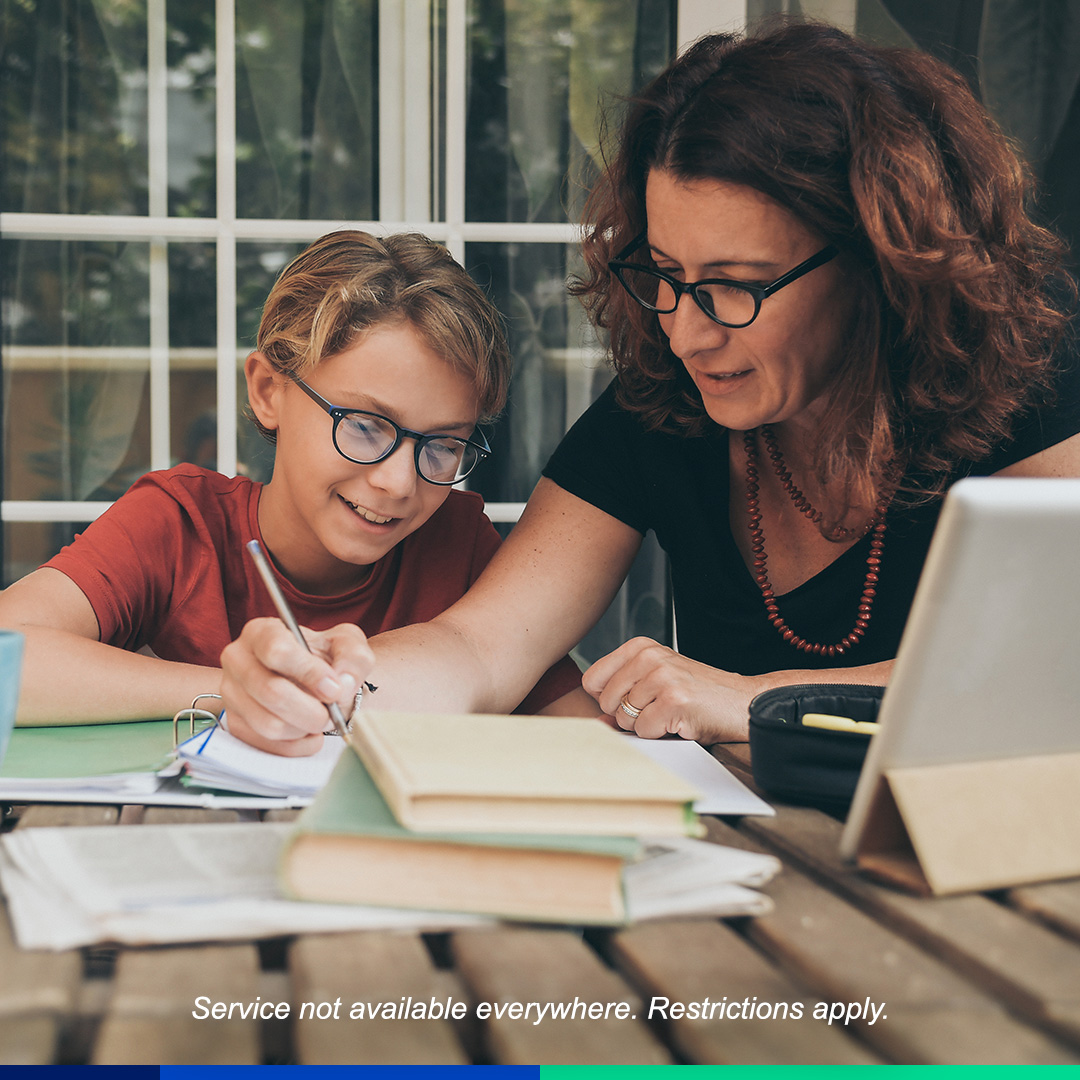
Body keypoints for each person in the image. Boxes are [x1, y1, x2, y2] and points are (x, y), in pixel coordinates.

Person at [219, 20, 1080, 755]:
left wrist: (748, 699)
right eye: (665, 273)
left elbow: (1042, 670)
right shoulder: (662, 407)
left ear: (875, 262)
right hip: (764, 871)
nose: (685, 330)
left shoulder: (1029, 384)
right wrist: (332, 683)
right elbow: (481, 649)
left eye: (733, 284)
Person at [0, 230, 588, 735]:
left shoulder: (458, 546)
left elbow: (580, 734)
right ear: (268, 391)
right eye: (363, 426)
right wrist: (240, 691)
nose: (397, 483)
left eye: (443, 444)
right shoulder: (181, 526)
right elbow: (8, 655)